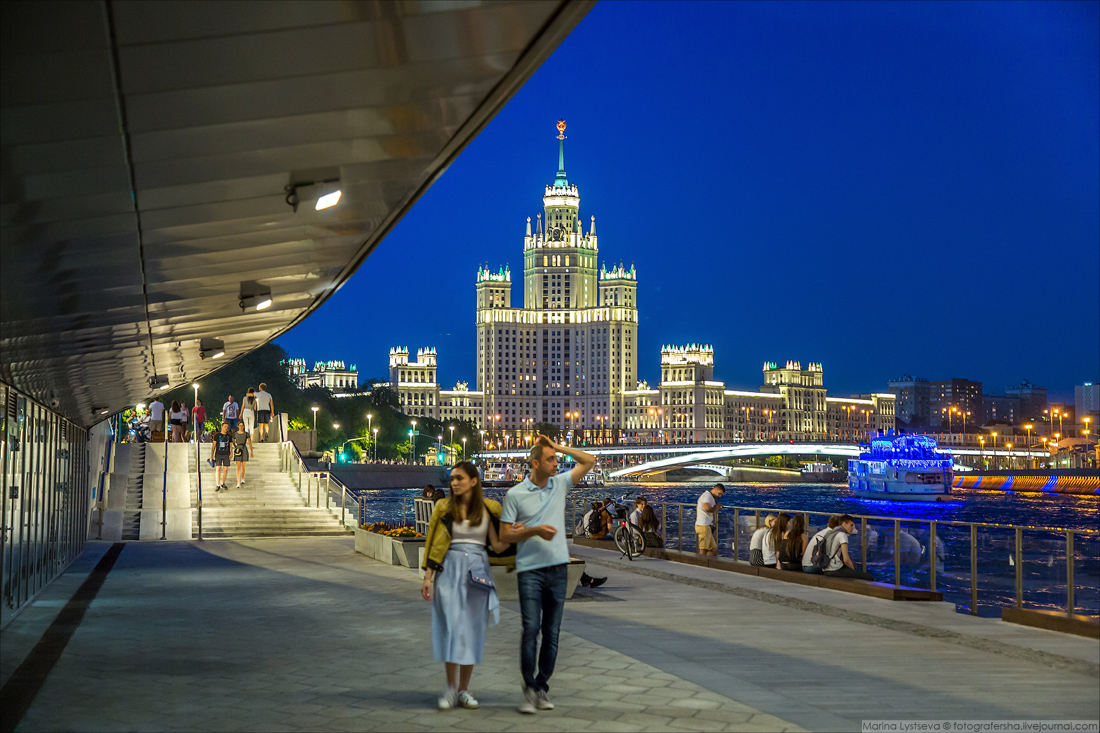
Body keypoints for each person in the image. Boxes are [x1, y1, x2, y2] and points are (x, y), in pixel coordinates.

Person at [500, 435, 595, 715]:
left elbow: (589, 461)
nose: (557, 463)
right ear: (535, 463)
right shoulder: (515, 494)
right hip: (529, 569)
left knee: (551, 633)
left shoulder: (560, 484)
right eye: (551, 459)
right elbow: (505, 535)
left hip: (558, 568)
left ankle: (541, 687)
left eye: (557, 459)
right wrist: (534, 530)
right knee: (531, 629)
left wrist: (558, 446)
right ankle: (529, 688)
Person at [421, 462, 512, 711]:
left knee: (472, 631)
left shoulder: (489, 509)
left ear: (474, 481)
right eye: (451, 479)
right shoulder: (443, 508)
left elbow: (499, 545)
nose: (454, 483)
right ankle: (451, 689)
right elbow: (434, 543)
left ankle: (463, 690)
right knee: (450, 629)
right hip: (449, 571)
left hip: (477, 571)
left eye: (459, 478)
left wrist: (522, 534)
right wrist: (428, 576)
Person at [822, 515, 874, 580]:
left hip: (826, 568)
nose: (852, 529)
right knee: (869, 577)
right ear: (844, 524)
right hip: (835, 570)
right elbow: (846, 560)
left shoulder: (831, 532)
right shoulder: (842, 535)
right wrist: (853, 570)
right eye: (851, 525)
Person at [694, 484, 725, 556]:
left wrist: (716, 503)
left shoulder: (708, 496)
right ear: (715, 489)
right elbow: (707, 508)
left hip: (706, 526)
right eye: (719, 493)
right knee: (703, 549)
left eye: (721, 495)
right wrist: (716, 508)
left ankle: (707, 563)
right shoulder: (707, 496)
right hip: (704, 526)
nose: (719, 496)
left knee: (714, 549)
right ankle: (701, 564)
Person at [210, 423, 234, 491]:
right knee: (218, 468)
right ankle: (218, 484)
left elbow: (230, 445)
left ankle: (223, 482)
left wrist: (231, 453)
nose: (226, 428)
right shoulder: (217, 436)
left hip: (226, 454)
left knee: (225, 469)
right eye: (225, 427)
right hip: (218, 454)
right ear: (222, 427)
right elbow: (213, 446)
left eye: (227, 427)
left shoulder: (229, 436)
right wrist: (211, 456)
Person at [232, 423, 253, 488]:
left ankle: (242, 478)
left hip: (244, 449)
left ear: (243, 426)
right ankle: (238, 482)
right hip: (238, 449)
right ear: (238, 426)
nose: (241, 427)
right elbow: (232, 441)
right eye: (240, 426)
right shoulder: (235, 434)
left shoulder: (246, 434)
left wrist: (251, 451)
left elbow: (249, 442)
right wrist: (235, 447)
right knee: (238, 467)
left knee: (243, 467)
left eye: (242, 426)